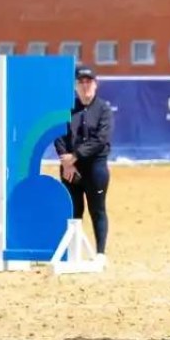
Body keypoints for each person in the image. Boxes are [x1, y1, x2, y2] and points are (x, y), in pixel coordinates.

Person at [53, 65, 113, 265]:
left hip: (95, 166)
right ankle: (72, 252)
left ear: (96, 84)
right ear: (75, 86)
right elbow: (59, 135)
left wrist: (75, 156)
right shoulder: (67, 109)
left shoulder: (104, 109)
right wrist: (66, 161)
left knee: (97, 209)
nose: (85, 86)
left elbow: (101, 139)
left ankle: (100, 253)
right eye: (81, 82)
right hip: (70, 168)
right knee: (72, 210)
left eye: (89, 82)